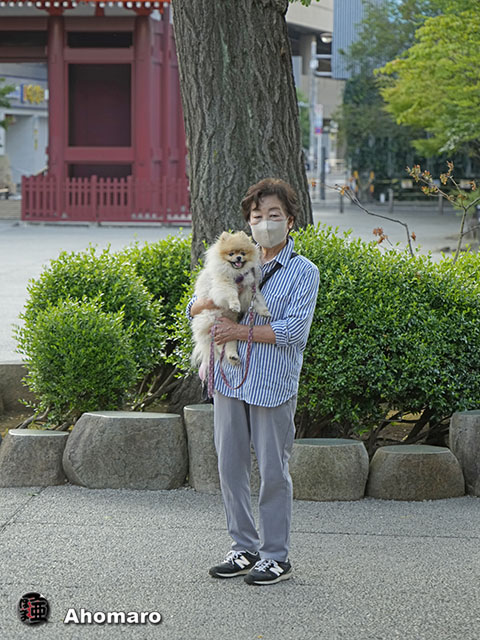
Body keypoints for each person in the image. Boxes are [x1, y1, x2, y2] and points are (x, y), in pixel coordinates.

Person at [186, 178, 319, 585]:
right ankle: (243, 547)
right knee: (230, 466)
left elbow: (293, 331)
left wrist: (238, 332)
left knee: (274, 471)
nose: (265, 223)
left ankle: (275, 556)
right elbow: (195, 307)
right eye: (257, 216)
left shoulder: (303, 272)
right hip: (229, 377)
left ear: (290, 221)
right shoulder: (233, 261)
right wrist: (207, 304)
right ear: (248, 223)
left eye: (274, 215)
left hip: (271, 384)